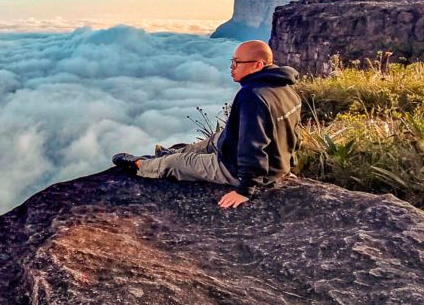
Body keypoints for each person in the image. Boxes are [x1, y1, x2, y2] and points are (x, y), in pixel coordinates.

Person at [112, 40, 302, 208]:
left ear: (258, 65)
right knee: (209, 142)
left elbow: (252, 146)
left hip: (233, 168)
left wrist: (245, 190)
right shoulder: (285, 88)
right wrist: (288, 167)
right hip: (274, 164)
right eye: (232, 61)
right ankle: (168, 153)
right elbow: (293, 133)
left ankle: (140, 165)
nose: (232, 67)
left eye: (237, 62)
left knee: (175, 163)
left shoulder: (252, 96)